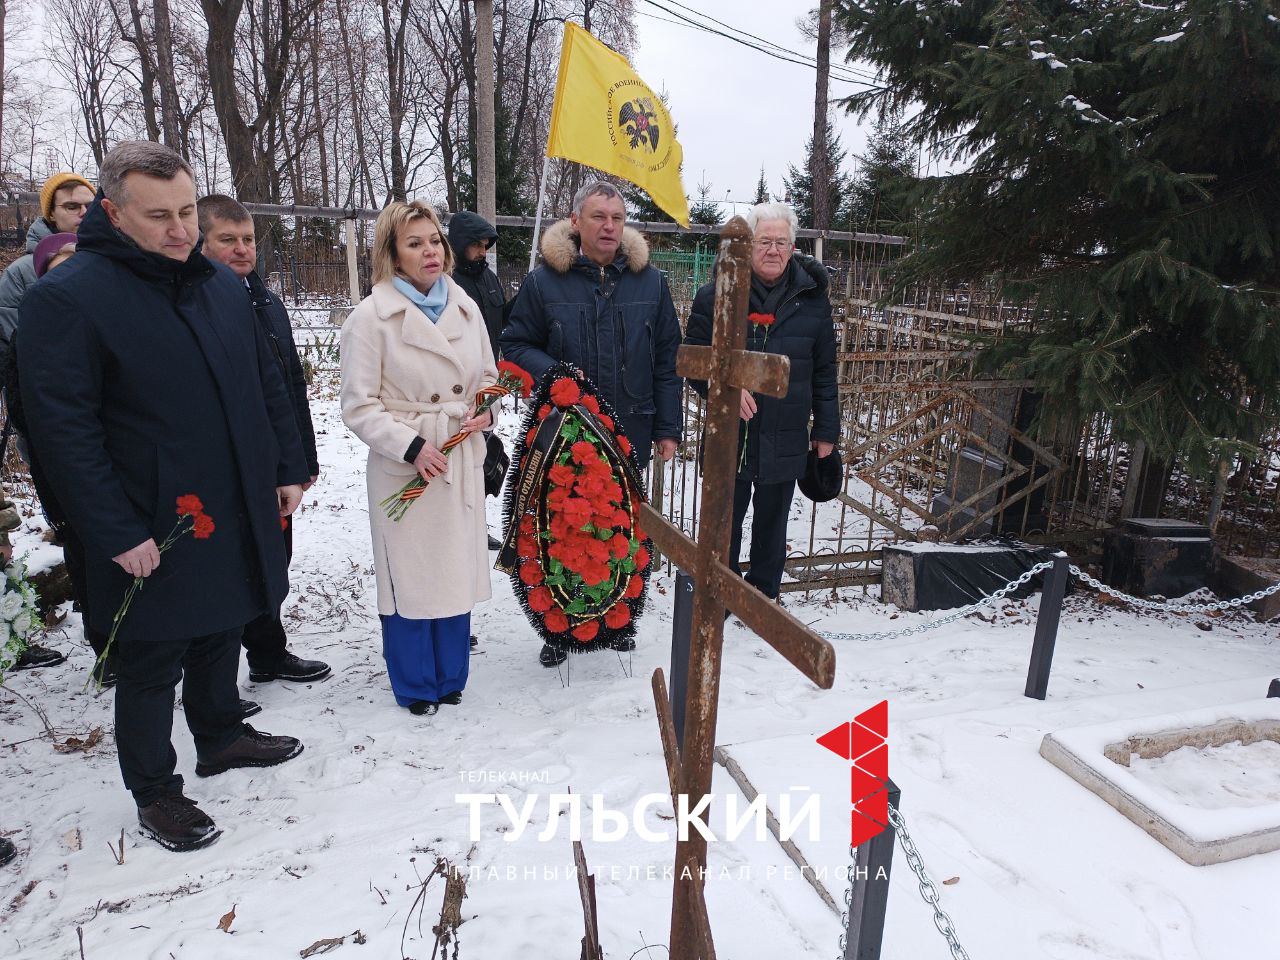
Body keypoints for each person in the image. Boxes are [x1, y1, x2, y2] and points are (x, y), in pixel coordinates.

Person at [17, 141, 310, 852]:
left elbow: (263, 382)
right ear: (114, 214)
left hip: (231, 491)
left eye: (186, 210)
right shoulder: (69, 297)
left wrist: (285, 464)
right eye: (160, 217)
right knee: (152, 654)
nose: (181, 229)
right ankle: (155, 789)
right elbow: (62, 432)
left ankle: (220, 734)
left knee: (225, 619)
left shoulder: (215, 282)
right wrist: (113, 529)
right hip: (149, 511)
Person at [500, 180, 682, 667]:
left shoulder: (652, 283)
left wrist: (669, 427)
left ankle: (619, 619)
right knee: (564, 528)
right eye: (599, 217)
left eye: (617, 218)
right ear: (576, 221)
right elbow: (514, 347)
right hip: (567, 433)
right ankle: (561, 624)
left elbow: (668, 360)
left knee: (623, 529)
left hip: (632, 427)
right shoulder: (544, 283)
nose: (608, 227)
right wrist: (555, 376)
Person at [340, 201, 496, 715]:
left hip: (458, 455)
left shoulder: (466, 307)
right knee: (410, 574)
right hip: (406, 461)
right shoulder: (372, 317)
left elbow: (489, 379)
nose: (429, 251)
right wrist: (411, 446)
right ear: (392, 254)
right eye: (414, 243)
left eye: (434, 240)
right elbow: (358, 406)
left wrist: (483, 413)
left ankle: (451, 677)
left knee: (452, 570)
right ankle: (414, 684)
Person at [197, 195, 330, 710]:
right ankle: (214, 686)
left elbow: (289, 384)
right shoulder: (199, 300)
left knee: (276, 557)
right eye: (227, 240)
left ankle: (268, 652)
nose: (241, 249)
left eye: (248, 239)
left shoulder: (264, 298)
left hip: (277, 460)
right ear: (201, 242)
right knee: (234, 567)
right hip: (230, 461)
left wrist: (301, 461)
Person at [684, 201, 838, 604]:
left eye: (782, 242)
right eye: (765, 241)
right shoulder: (715, 295)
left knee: (773, 521)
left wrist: (825, 431)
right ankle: (721, 592)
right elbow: (693, 361)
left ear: (793, 247)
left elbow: (824, 369)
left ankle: (764, 595)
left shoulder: (813, 300)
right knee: (724, 521)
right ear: (750, 246)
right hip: (730, 433)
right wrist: (725, 393)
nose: (773, 250)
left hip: (785, 432)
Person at [447, 210, 508, 553]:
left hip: (488, 381)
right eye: (477, 246)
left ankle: (476, 523)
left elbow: (501, 323)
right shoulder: (448, 282)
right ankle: (457, 525)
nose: (484, 252)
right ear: (460, 245)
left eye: (486, 245)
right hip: (456, 387)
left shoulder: (489, 279)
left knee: (481, 455)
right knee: (458, 460)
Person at [0, 172, 95, 373]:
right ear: (50, 213)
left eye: (90, 205)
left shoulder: (115, 260)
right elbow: (10, 347)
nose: (84, 212)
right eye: (72, 206)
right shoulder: (21, 273)